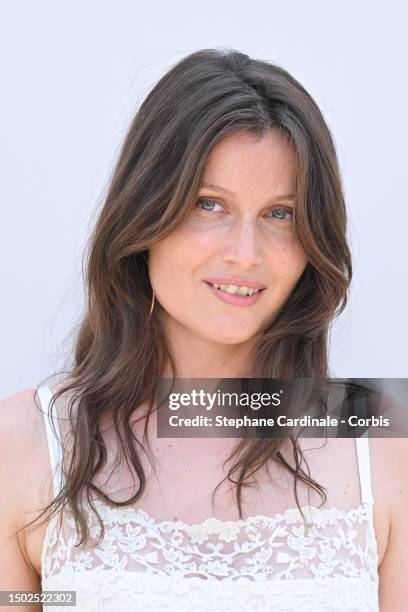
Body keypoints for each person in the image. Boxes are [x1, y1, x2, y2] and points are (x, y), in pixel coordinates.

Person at [0, 48, 407, 612]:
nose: (245, 254)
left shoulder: (384, 439)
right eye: (208, 204)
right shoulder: (24, 443)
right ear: (144, 216)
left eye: (280, 213)